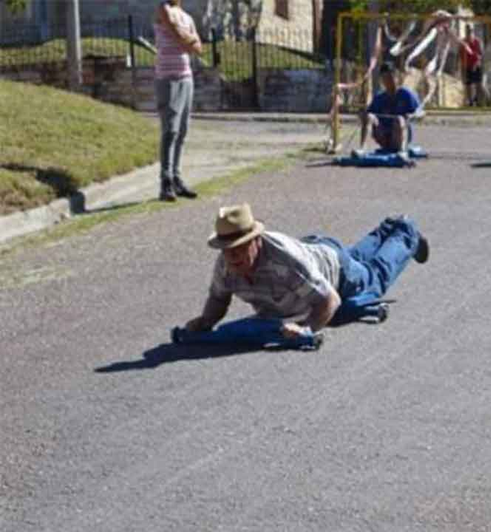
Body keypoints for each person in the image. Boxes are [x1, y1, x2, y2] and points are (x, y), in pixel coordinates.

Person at [183, 204, 430, 339]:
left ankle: (406, 232)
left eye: (239, 248)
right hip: (315, 253)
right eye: (227, 250)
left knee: (374, 277)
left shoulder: (284, 262)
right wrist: (205, 321)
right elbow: (219, 298)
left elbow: (330, 300)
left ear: (256, 241)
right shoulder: (225, 265)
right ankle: (390, 227)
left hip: (336, 271)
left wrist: (307, 329)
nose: (233, 256)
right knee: (358, 259)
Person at [154, 0, 201, 202]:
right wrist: (188, 39)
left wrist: (187, 39)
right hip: (167, 78)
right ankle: (166, 182)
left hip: (186, 77)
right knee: (170, 130)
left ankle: (177, 179)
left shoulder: (188, 17)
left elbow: (199, 48)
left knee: (182, 131)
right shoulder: (163, 9)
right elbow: (179, 36)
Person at [356, 62, 422, 158]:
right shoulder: (379, 98)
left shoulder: (406, 94)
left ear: (396, 77)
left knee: (399, 119)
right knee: (369, 116)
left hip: (400, 135)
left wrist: (412, 116)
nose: (389, 82)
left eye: (390, 77)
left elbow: (421, 113)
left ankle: (402, 150)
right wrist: (363, 115)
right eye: (385, 79)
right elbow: (369, 114)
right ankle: (362, 148)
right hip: (383, 136)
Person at [460, 25, 483, 106]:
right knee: (468, 84)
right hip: (467, 66)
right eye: (467, 31)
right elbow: (460, 54)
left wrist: (476, 64)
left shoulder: (477, 41)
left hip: (476, 65)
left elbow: (480, 55)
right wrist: (462, 67)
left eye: (470, 31)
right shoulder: (463, 42)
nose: (469, 32)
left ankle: (478, 100)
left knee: (478, 83)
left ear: (473, 31)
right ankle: (470, 101)